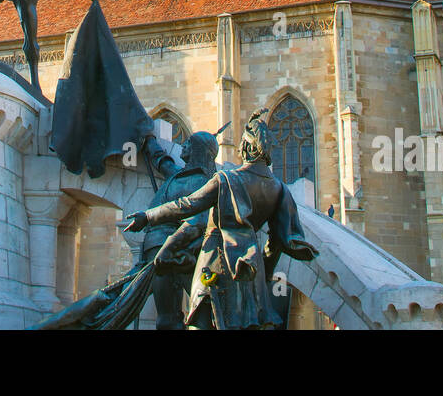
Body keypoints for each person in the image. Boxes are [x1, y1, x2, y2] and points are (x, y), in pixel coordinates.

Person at [125, 110, 318, 329]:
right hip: (249, 266)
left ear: (245, 148)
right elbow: (277, 244)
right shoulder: (280, 190)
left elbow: (187, 205)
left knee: (203, 321)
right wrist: (263, 272)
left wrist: (148, 216)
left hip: (215, 261)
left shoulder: (227, 179)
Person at [140, 131, 220, 329]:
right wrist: (149, 140)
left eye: (189, 144)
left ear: (199, 151)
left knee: (201, 309)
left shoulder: (205, 182)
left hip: (180, 252)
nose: (183, 146)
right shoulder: (176, 173)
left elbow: (199, 221)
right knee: (166, 317)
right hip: (156, 247)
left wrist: (175, 245)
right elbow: (161, 161)